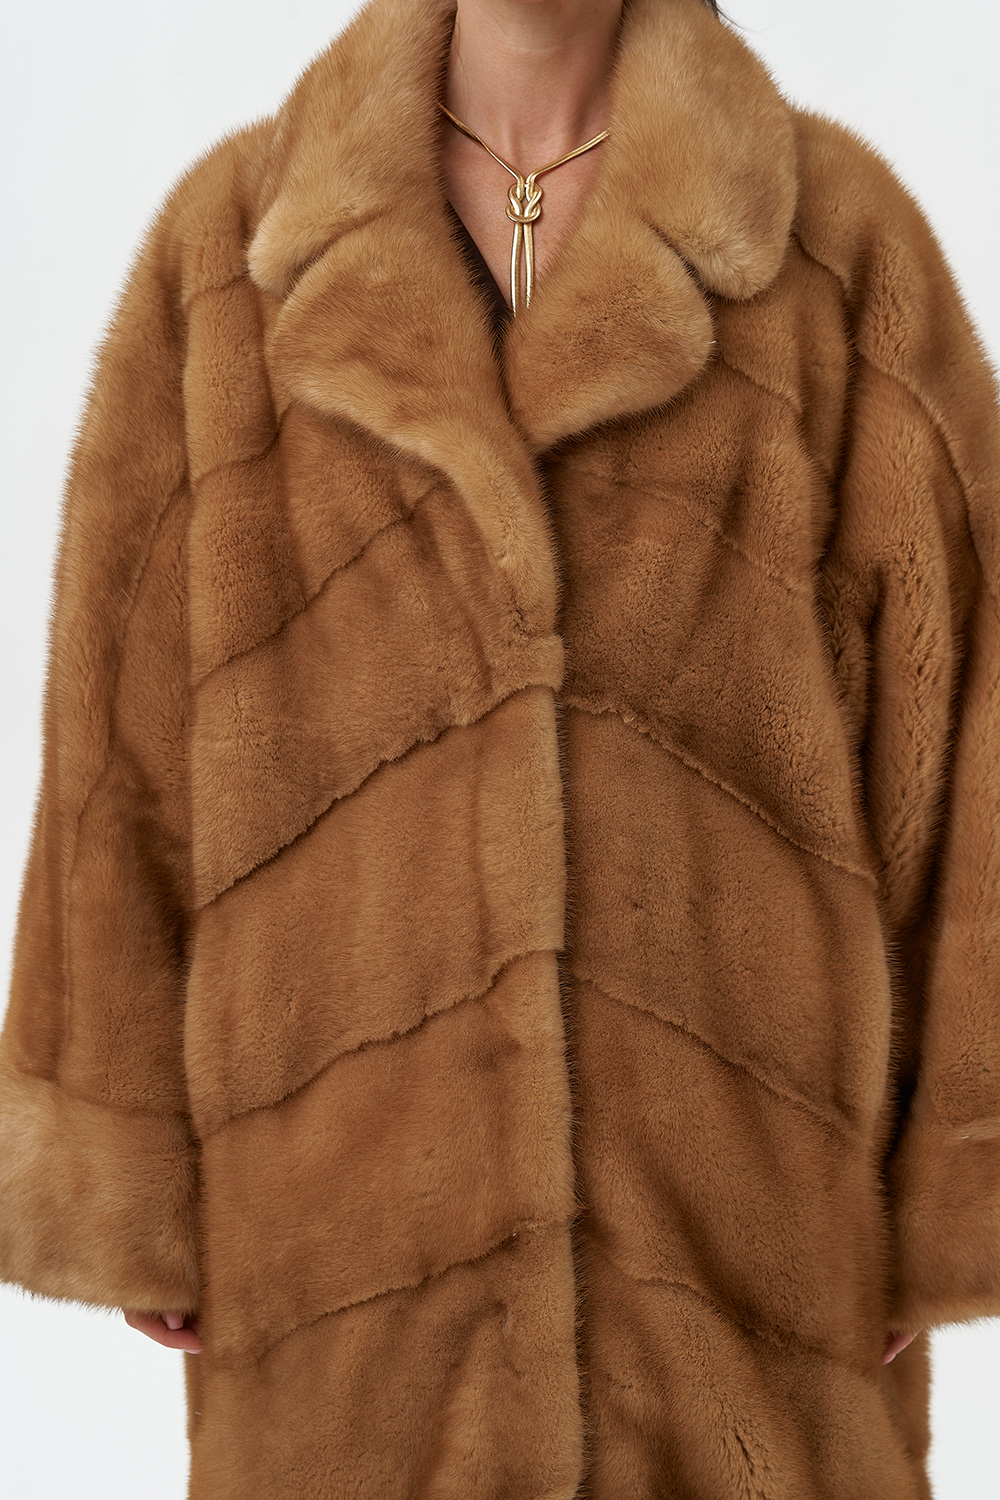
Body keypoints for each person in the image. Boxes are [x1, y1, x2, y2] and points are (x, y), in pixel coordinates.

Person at [1, 0, 997, 1494]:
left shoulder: (831, 250)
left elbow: (962, 728)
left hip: (739, 1274)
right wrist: (126, 1163)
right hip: (341, 1272)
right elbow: (117, 746)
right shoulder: (233, 256)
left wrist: (946, 1189)